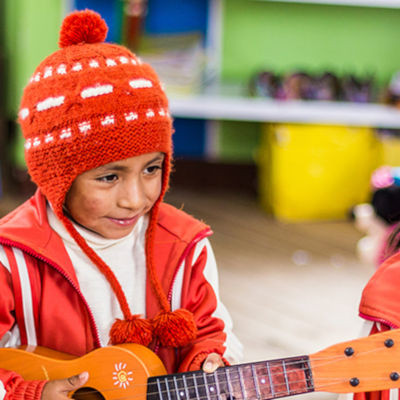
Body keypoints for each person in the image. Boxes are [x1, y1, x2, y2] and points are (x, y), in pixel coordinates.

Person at [0, 9, 242, 400]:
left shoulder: (186, 247)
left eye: (152, 169)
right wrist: (30, 393)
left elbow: (212, 334)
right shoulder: (10, 258)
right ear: (55, 176)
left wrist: (205, 365)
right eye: (109, 177)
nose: (135, 199)